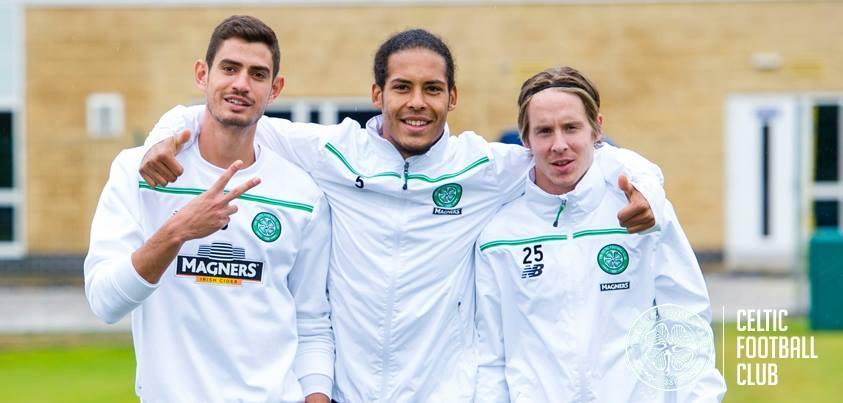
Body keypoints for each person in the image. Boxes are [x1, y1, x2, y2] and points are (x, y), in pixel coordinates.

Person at [140, 29, 664, 402]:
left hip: (445, 392)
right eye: (402, 88)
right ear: (377, 95)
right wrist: (161, 136)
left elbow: (587, 150)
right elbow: (221, 110)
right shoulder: (331, 152)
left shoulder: (484, 166)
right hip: (348, 391)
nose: (417, 102)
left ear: (452, 97)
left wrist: (647, 189)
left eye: (432, 89)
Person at [84, 16, 333, 403]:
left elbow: (312, 321)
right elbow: (105, 302)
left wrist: (317, 396)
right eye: (229, 68)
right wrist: (178, 230)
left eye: (257, 74)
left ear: (275, 89)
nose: (241, 84)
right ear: (203, 74)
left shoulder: (302, 194)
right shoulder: (139, 172)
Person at [474, 66, 727, 402]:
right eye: (544, 131)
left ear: (597, 129)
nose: (559, 145)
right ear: (525, 140)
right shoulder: (498, 236)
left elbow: (685, 321)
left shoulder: (642, 211)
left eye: (571, 128)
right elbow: (491, 357)